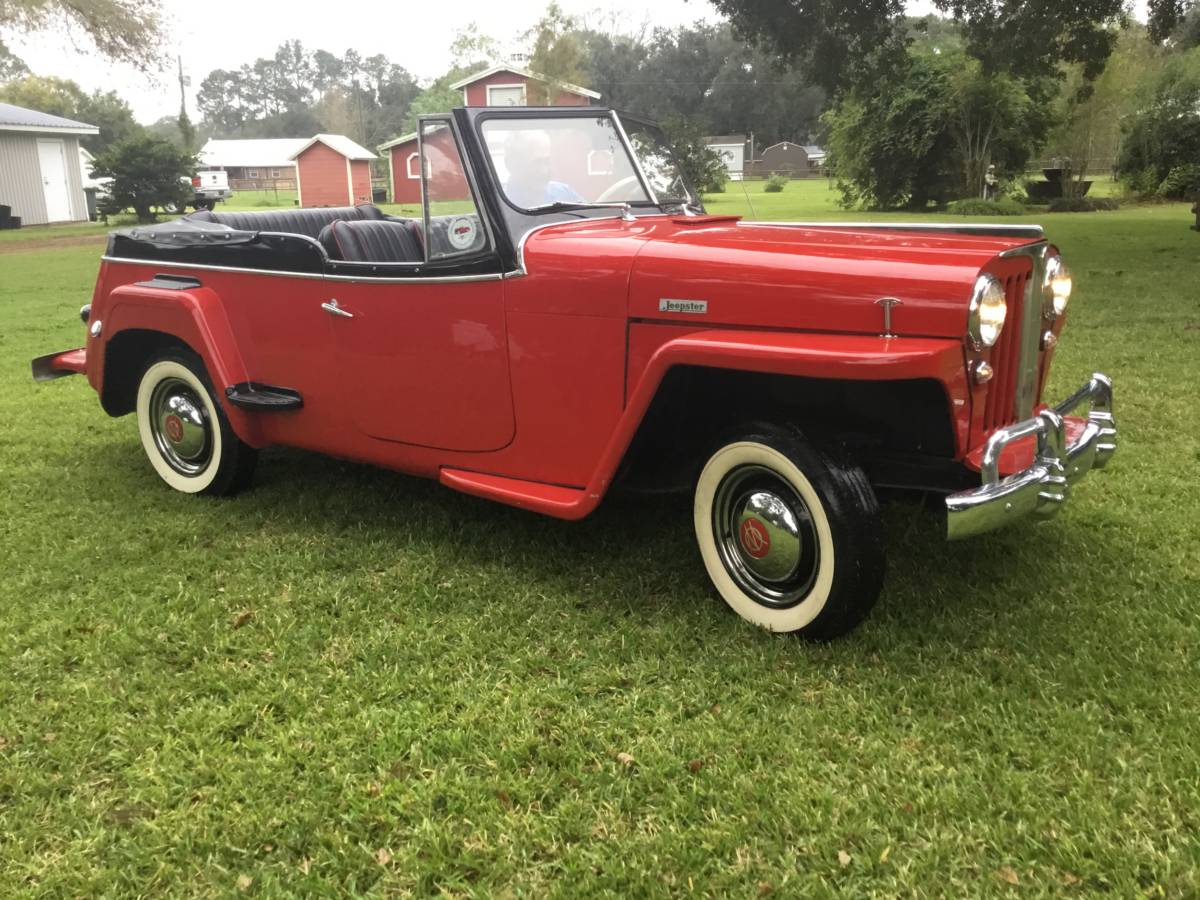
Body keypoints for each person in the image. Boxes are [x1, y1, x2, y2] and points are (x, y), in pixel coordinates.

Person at [503, 129, 583, 208]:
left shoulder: (564, 193)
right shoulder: (501, 205)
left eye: (547, 161)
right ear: (511, 165)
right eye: (536, 163)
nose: (544, 171)